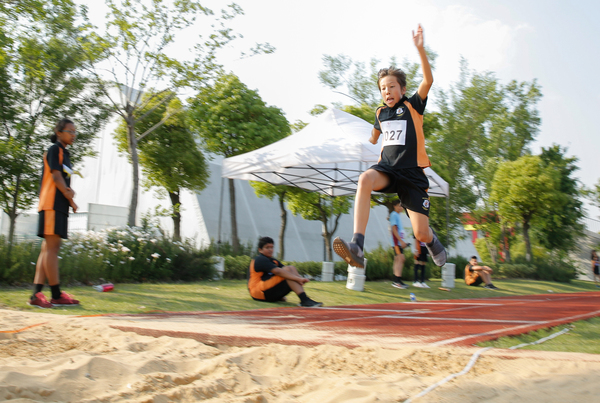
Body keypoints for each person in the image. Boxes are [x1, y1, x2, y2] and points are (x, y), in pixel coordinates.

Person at [333, 24, 446, 269]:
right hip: (388, 171)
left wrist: (420, 49)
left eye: (392, 86)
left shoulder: (413, 105)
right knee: (364, 179)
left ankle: (432, 240)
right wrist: (367, 140)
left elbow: (429, 79)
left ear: (402, 89)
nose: (387, 91)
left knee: (420, 234)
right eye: (383, 88)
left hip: (413, 176)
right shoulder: (381, 113)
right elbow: (374, 137)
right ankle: (357, 246)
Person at [28, 118, 80, 308]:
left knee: (47, 249)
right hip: (51, 204)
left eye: (75, 132)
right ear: (59, 133)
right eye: (70, 131)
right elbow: (56, 176)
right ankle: (56, 295)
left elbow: (63, 181)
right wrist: (70, 197)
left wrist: (69, 199)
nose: (73, 135)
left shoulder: (65, 154)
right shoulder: (54, 150)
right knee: (52, 249)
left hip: (59, 205)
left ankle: (36, 295)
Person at [248, 236, 323, 307]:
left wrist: (297, 278)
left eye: (272, 247)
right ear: (260, 250)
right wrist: (298, 279)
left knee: (291, 268)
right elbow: (278, 271)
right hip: (258, 292)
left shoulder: (273, 260)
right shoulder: (260, 259)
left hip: (266, 290)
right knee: (287, 270)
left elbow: (287, 270)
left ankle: (304, 298)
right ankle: (304, 299)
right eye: (267, 248)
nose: (270, 250)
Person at [389, 200, 410, 289]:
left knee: (398, 259)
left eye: (402, 206)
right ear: (395, 206)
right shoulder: (394, 215)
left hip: (398, 242)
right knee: (401, 259)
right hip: (396, 242)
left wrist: (403, 241)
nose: (401, 208)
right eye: (399, 206)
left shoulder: (397, 215)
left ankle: (397, 280)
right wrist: (400, 241)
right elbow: (394, 229)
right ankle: (397, 281)